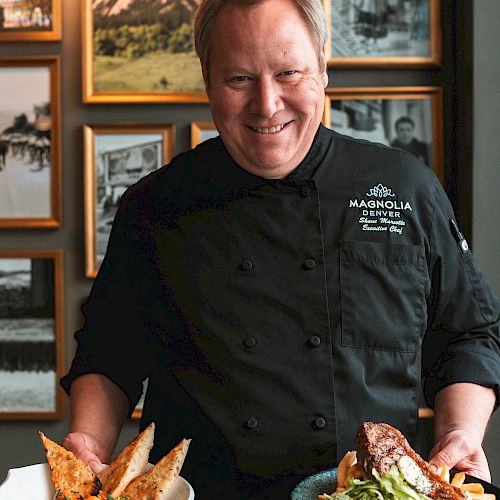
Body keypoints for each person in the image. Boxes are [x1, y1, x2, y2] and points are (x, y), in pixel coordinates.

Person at [60, 0, 500, 498]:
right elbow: (109, 349)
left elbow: (467, 334)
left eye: (289, 72)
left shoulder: (405, 188)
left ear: (323, 64)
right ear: (206, 77)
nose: (267, 104)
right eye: (239, 79)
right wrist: (90, 443)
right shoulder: (154, 206)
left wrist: (459, 434)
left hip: (371, 493)